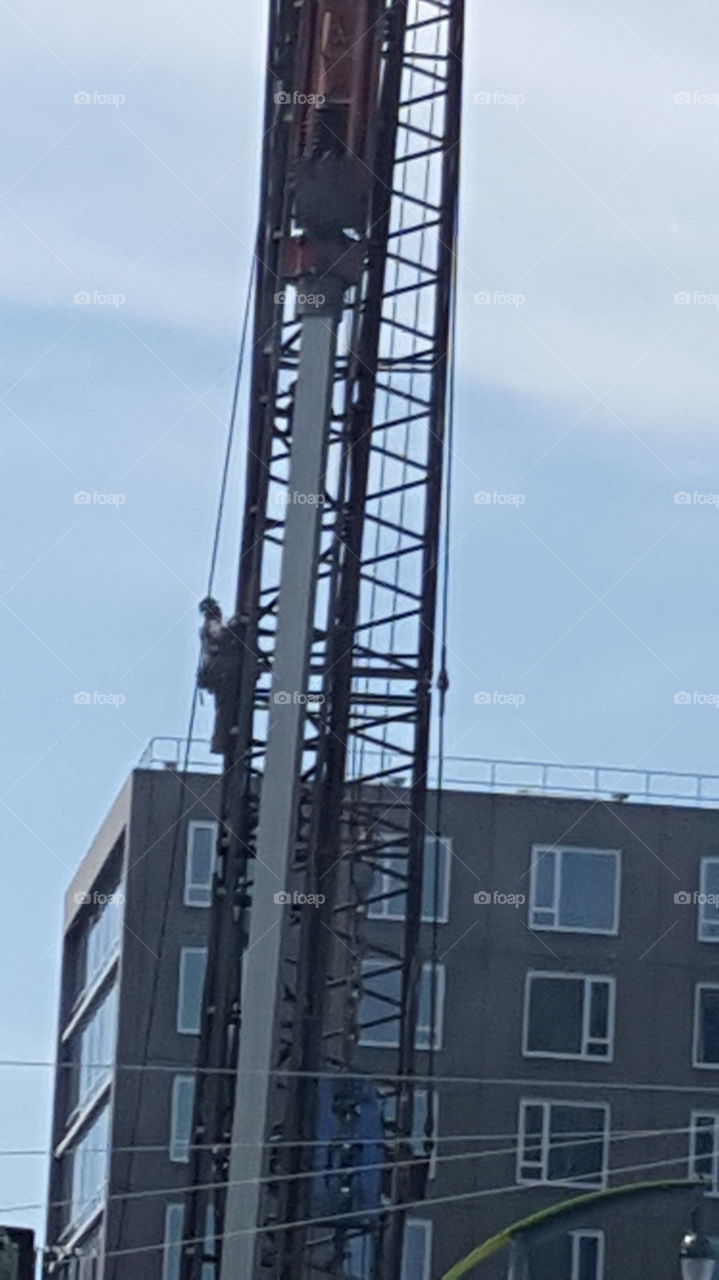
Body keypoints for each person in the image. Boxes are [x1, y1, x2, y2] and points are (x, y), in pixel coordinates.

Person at [198, 597, 240, 754]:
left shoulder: (208, 626)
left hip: (217, 671)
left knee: (226, 705)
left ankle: (226, 735)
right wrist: (236, 624)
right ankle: (222, 739)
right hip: (220, 671)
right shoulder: (211, 625)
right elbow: (222, 635)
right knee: (225, 705)